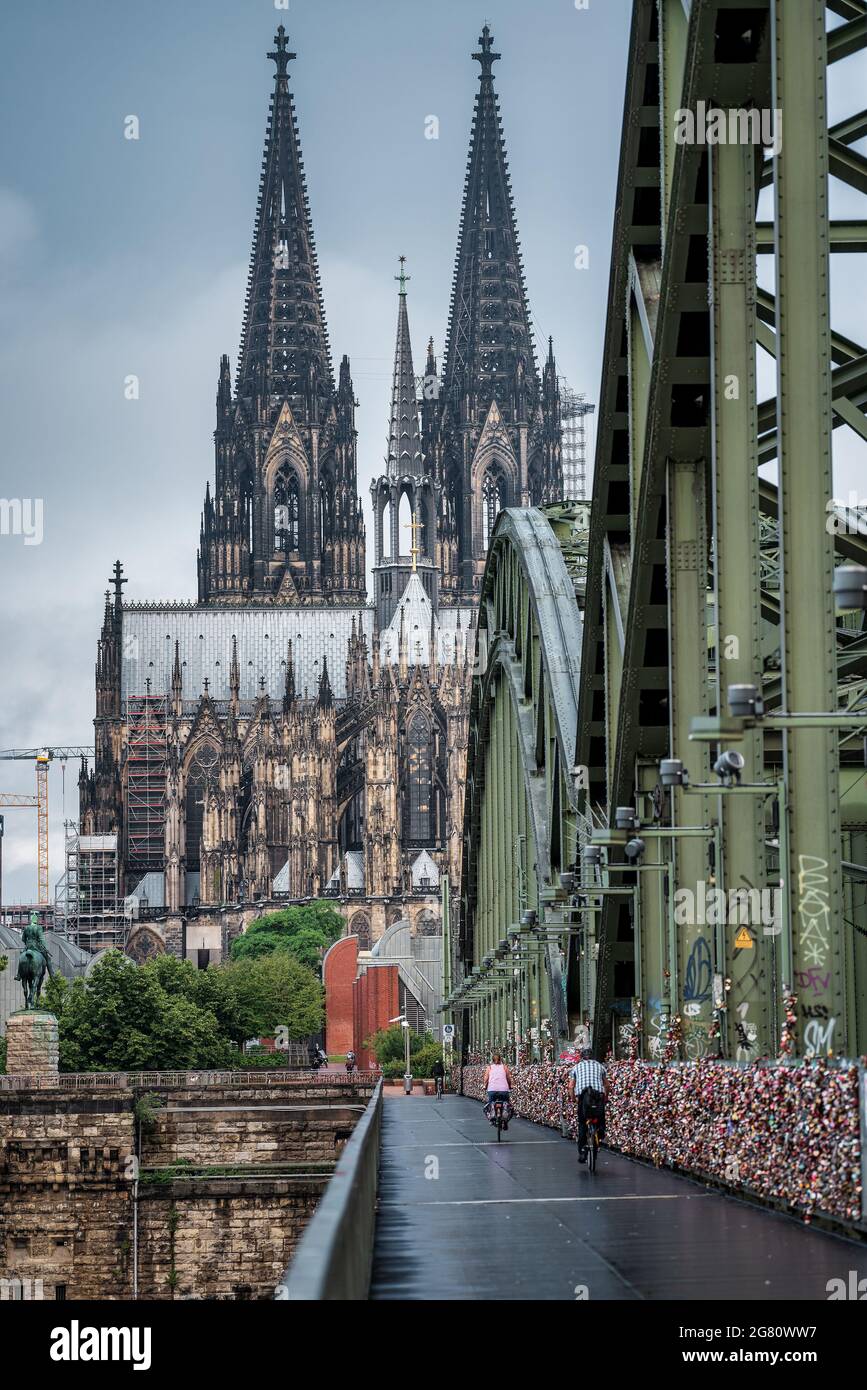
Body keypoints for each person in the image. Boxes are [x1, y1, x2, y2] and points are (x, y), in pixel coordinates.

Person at [567, 1048, 608, 1162]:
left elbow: (571, 1087)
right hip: (597, 1097)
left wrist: (573, 1099)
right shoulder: (600, 1066)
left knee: (582, 1124)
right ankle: (599, 1136)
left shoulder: (576, 1068)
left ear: (581, 1057)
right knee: (601, 1120)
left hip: (583, 1098)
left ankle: (583, 1151)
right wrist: (606, 1097)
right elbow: (606, 1084)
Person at [482, 1050, 513, 1130]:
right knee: (507, 1104)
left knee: (490, 1103)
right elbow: (508, 1078)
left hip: (492, 1090)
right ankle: (505, 1121)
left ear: (492, 1060)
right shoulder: (504, 1067)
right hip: (504, 1090)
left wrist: (485, 1086)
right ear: (501, 1059)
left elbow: (486, 1079)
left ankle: (491, 1118)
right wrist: (509, 1086)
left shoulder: (489, 1067)